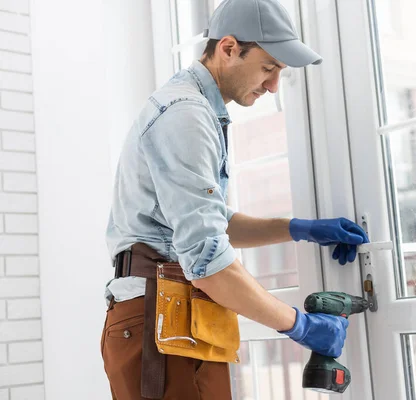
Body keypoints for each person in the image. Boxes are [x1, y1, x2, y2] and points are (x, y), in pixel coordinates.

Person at [101, 0, 369, 398]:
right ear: (228, 48)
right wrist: (301, 326)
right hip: (161, 320)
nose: (275, 85)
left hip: (173, 316)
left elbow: (208, 221)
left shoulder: (194, 108)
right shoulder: (186, 116)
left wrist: (299, 229)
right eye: (268, 67)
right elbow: (208, 264)